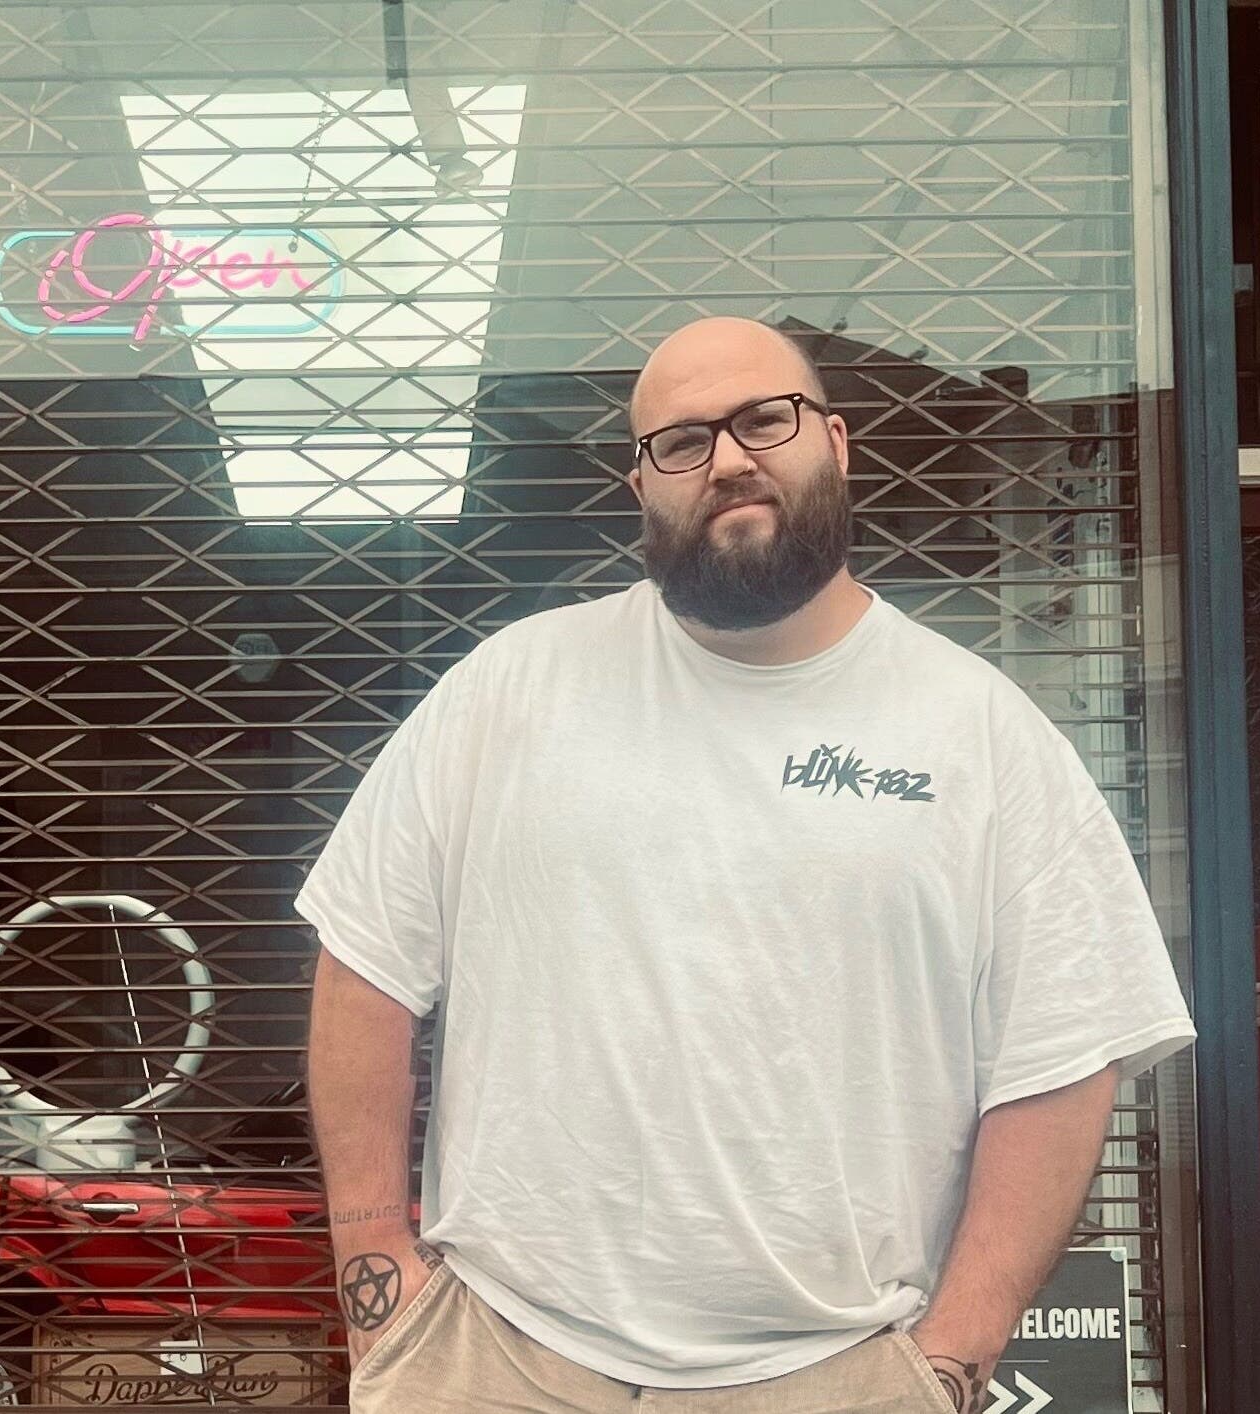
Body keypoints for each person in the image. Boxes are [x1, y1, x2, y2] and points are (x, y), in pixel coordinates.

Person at [296, 316, 1195, 1413]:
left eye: (765, 419)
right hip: (495, 1357)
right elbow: (366, 967)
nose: (726, 460)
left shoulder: (982, 735)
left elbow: (1061, 1054)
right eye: (681, 441)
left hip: (838, 1372)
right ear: (642, 483)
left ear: (836, 442)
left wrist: (951, 1359)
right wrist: (377, 1280)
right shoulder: (508, 692)